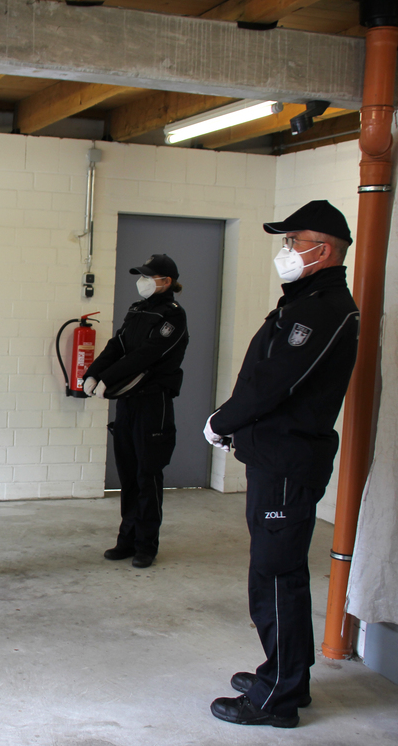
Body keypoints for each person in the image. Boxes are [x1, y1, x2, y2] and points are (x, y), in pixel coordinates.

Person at [204, 200, 359, 729]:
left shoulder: (323, 309)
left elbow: (276, 383)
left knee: (275, 576)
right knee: (276, 571)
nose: (287, 250)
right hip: (276, 456)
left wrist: (223, 420)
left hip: (288, 463)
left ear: (325, 250)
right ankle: (289, 675)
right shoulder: (306, 300)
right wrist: (238, 426)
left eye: (295, 241)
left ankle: (278, 697)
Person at [82, 254, 189, 569]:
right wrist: (93, 372)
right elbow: (117, 345)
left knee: (147, 475)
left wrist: (108, 378)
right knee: (128, 475)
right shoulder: (137, 310)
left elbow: (146, 355)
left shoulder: (173, 315)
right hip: (128, 403)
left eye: (148, 276)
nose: (142, 281)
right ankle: (126, 540)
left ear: (166, 281)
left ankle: (146, 545)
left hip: (153, 403)